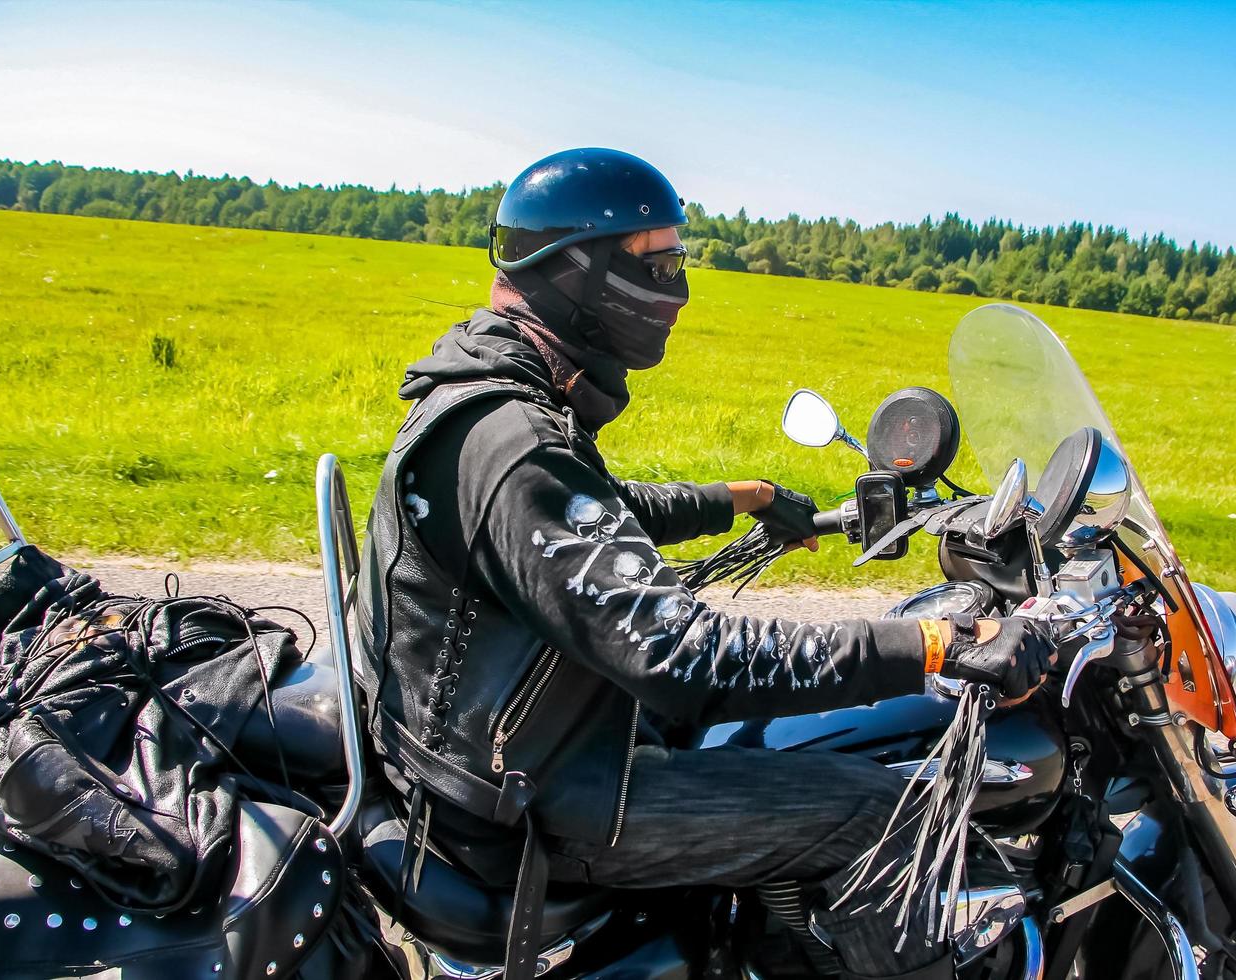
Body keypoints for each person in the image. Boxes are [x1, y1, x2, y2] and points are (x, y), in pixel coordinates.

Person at [356, 147, 1055, 980]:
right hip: (537, 804)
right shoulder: (516, 444)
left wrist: (744, 496)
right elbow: (686, 658)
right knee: (890, 809)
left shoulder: (491, 394)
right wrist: (932, 646)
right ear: (572, 268)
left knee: (786, 746)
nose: (677, 294)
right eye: (656, 264)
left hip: (493, 762)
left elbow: (592, 512)